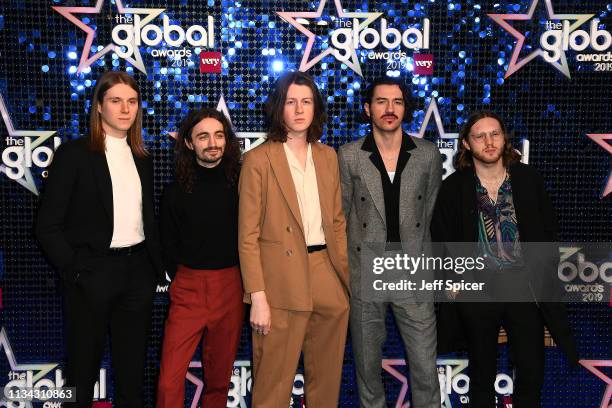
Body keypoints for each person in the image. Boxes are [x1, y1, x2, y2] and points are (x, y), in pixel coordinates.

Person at [432, 111, 579, 407]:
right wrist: (453, 287)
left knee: (531, 370)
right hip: (477, 290)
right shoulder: (453, 188)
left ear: (504, 139)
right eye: (480, 136)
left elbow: (549, 231)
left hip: (524, 290)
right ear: (465, 144)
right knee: (481, 374)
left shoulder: (528, 179)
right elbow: (440, 242)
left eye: (495, 134)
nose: (489, 142)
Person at [35, 71, 163, 407]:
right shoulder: (74, 154)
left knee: (133, 375)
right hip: (91, 274)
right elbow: (47, 225)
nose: (125, 109)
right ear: (99, 107)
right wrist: (76, 271)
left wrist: (152, 272)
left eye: (132, 101)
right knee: (81, 375)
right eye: (116, 101)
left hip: (137, 274)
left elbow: (146, 218)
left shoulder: (142, 157)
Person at [238, 71, 350, 407]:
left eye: (306, 102)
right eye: (291, 102)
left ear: (316, 108)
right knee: (273, 385)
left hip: (326, 274)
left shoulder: (329, 156)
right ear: (278, 109)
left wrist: (347, 284)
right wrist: (257, 296)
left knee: (327, 384)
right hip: (279, 283)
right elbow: (247, 236)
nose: (299, 109)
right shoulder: (258, 160)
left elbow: (337, 223)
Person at [338, 76, 442, 408]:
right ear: (368, 109)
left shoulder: (427, 154)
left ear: (405, 108)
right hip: (365, 271)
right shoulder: (349, 155)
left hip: (413, 271)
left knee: (425, 366)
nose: (390, 109)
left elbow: (431, 214)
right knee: (367, 367)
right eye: (381, 101)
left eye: (397, 102)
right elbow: (340, 215)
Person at [155, 108, 243, 407]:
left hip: (231, 286)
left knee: (218, 380)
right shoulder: (174, 191)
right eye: (203, 136)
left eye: (219, 135)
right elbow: (166, 241)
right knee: (169, 380)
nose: (212, 143)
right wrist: (178, 278)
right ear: (190, 143)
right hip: (188, 287)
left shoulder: (243, 184)